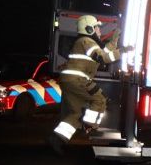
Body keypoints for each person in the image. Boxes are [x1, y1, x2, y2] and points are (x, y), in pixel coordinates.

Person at [49, 15, 120, 155]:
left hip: (70, 80)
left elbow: (104, 52)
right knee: (100, 99)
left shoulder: (86, 43)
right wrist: (123, 51)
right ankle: (88, 125)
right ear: (89, 29)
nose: (99, 30)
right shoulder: (87, 42)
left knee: (74, 113)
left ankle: (56, 140)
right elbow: (104, 58)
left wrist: (115, 38)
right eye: (97, 27)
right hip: (78, 80)